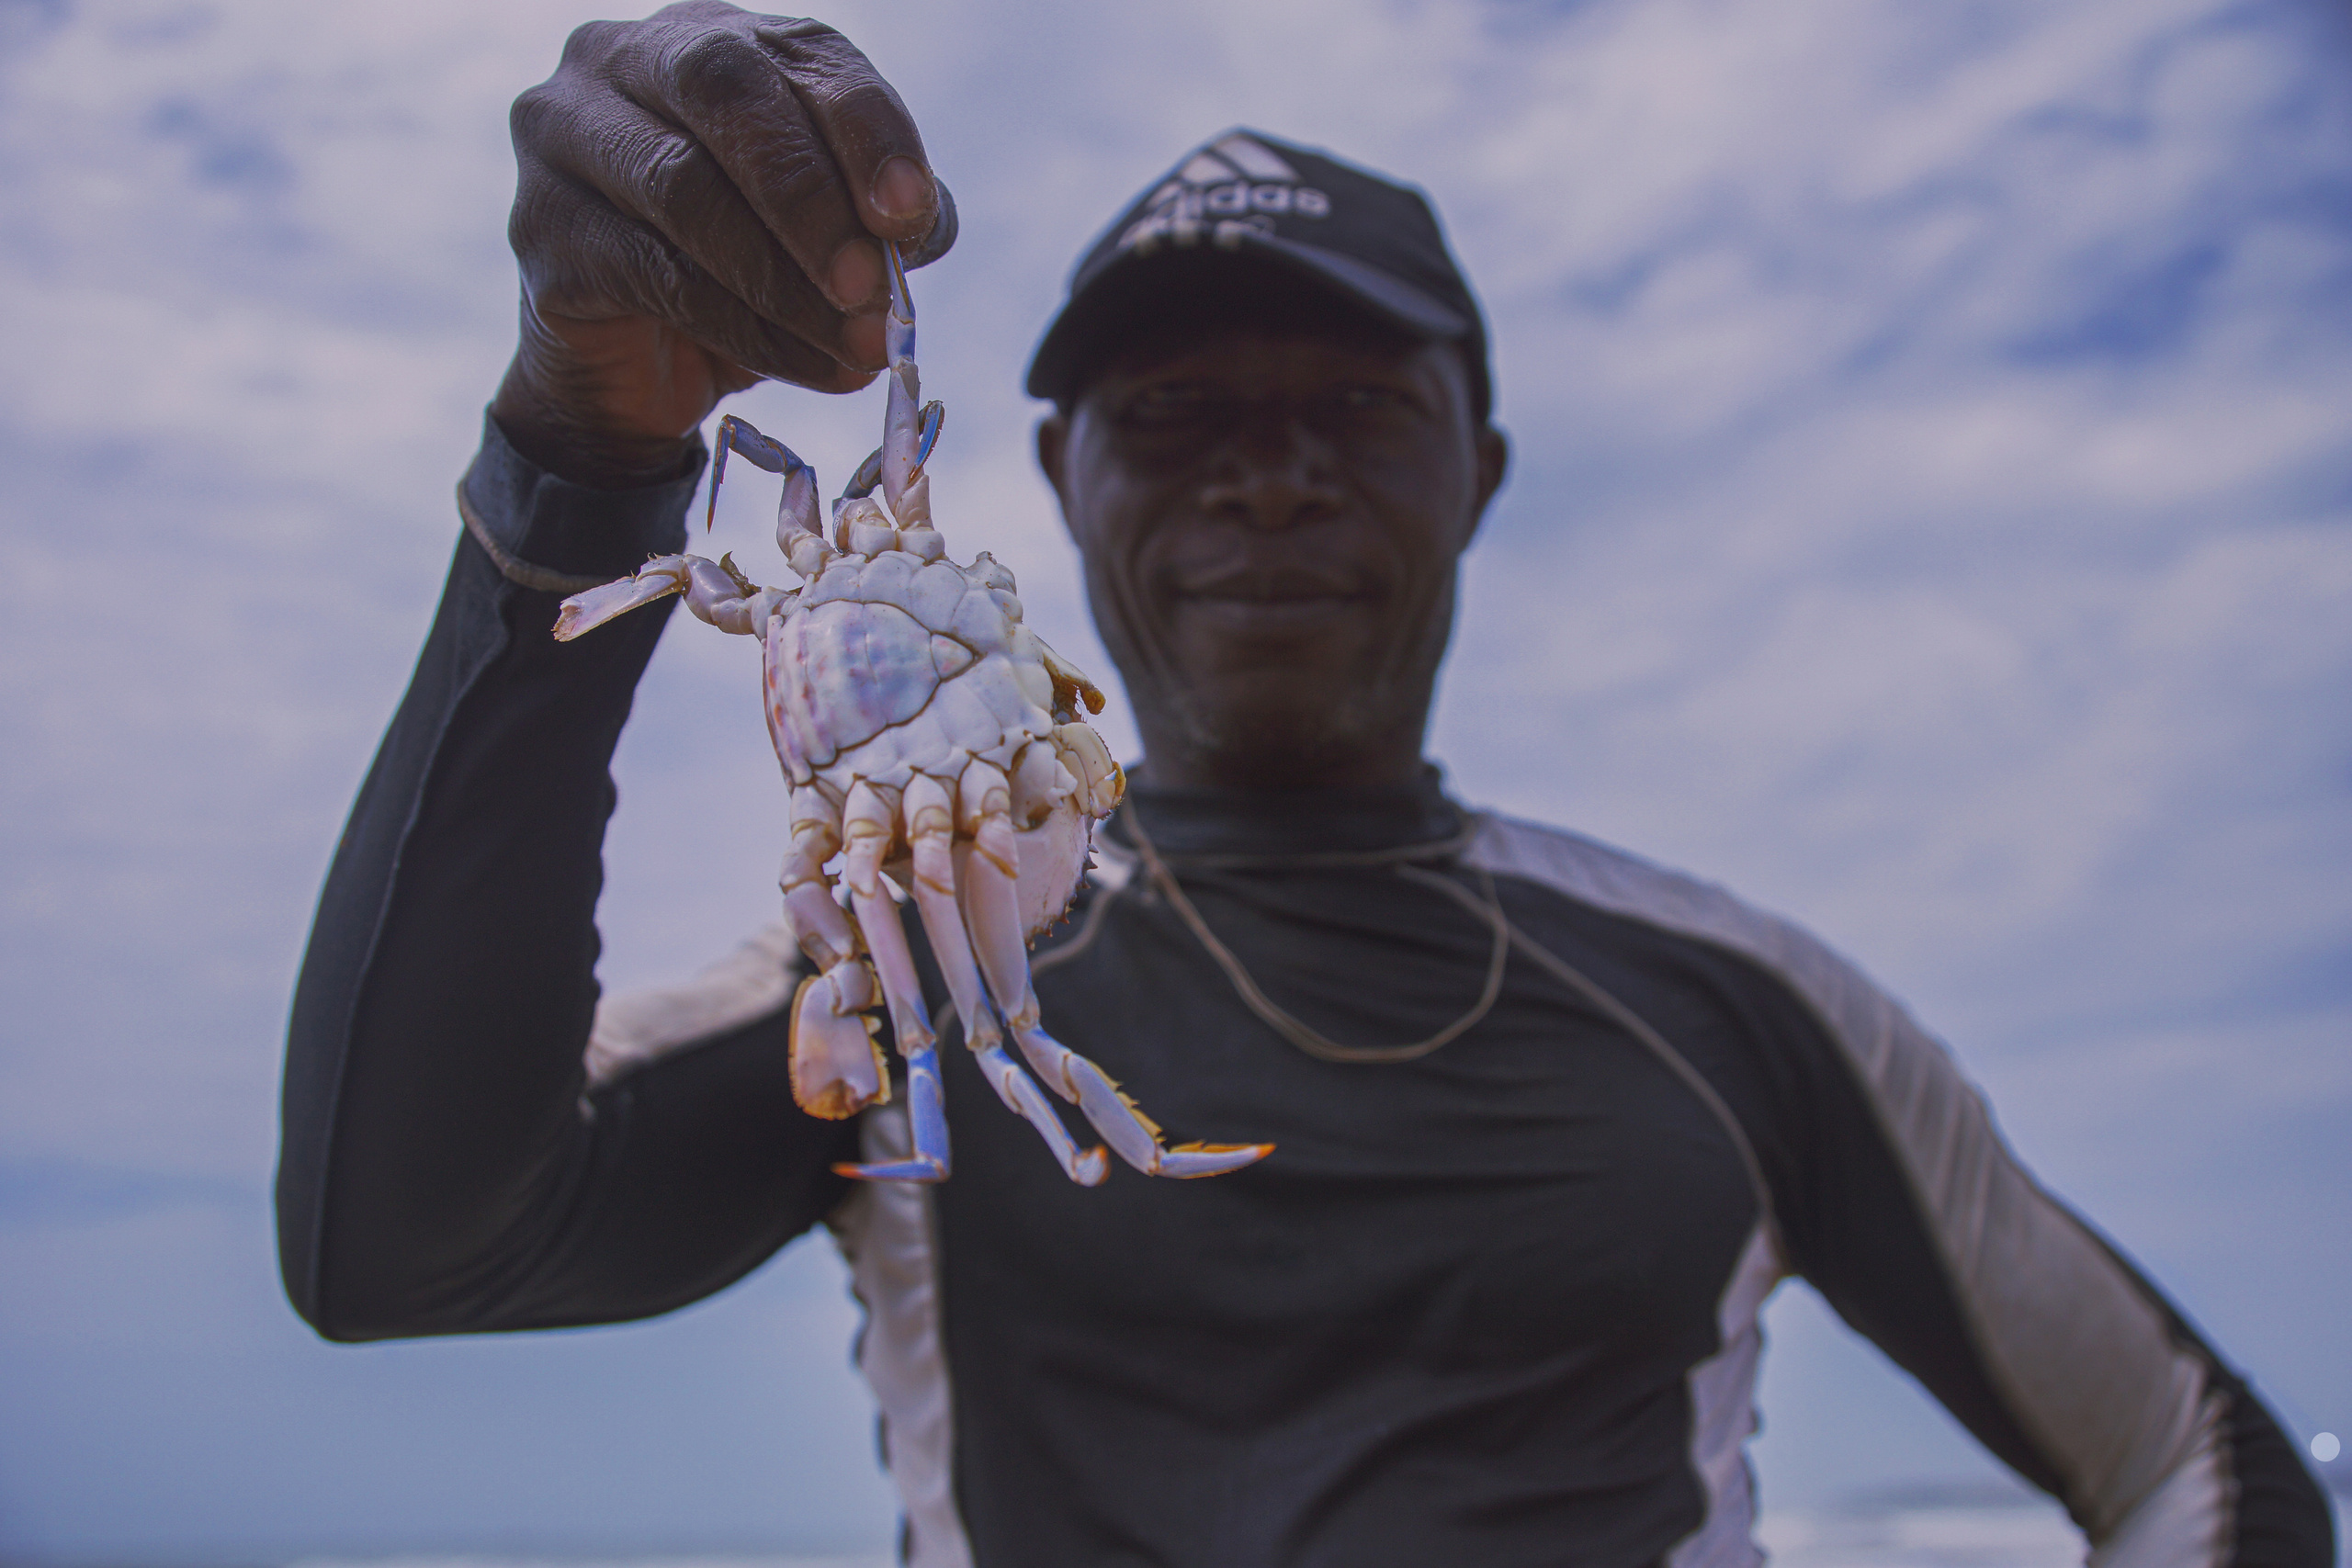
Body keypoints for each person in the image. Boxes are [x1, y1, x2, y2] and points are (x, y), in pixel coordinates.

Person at [276, 6, 2334, 1565]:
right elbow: (409, 1247)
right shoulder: (903, 960)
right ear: (1064, 486)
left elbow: (2189, 1454)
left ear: (1482, 469)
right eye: (1170, 414)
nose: (1267, 472)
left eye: (1353, 403)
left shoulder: (1741, 1005)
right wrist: (583, 447)